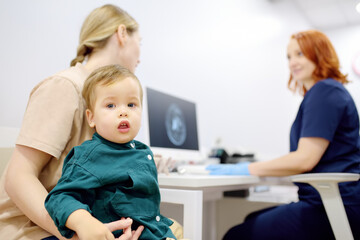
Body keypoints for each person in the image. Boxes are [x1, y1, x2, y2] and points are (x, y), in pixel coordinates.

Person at [0, 4, 144, 240]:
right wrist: (76, 233)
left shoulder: (103, 99)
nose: (141, 56)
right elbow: (18, 179)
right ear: (122, 34)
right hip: (34, 229)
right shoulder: (65, 87)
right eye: (141, 42)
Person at [206, 30, 360, 240]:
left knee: (235, 236)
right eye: (289, 57)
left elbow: (304, 159)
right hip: (330, 203)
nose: (292, 62)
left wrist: (246, 168)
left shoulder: (325, 92)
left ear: (319, 54)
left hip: (333, 208)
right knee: (251, 217)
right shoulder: (326, 92)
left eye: (300, 54)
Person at [45, 64, 176, 240]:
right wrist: (84, 222)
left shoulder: (143, 152)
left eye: (131, 104)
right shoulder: (89, 156)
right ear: (91, 118)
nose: (123, 112)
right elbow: (59, 198)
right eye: (111, 105)